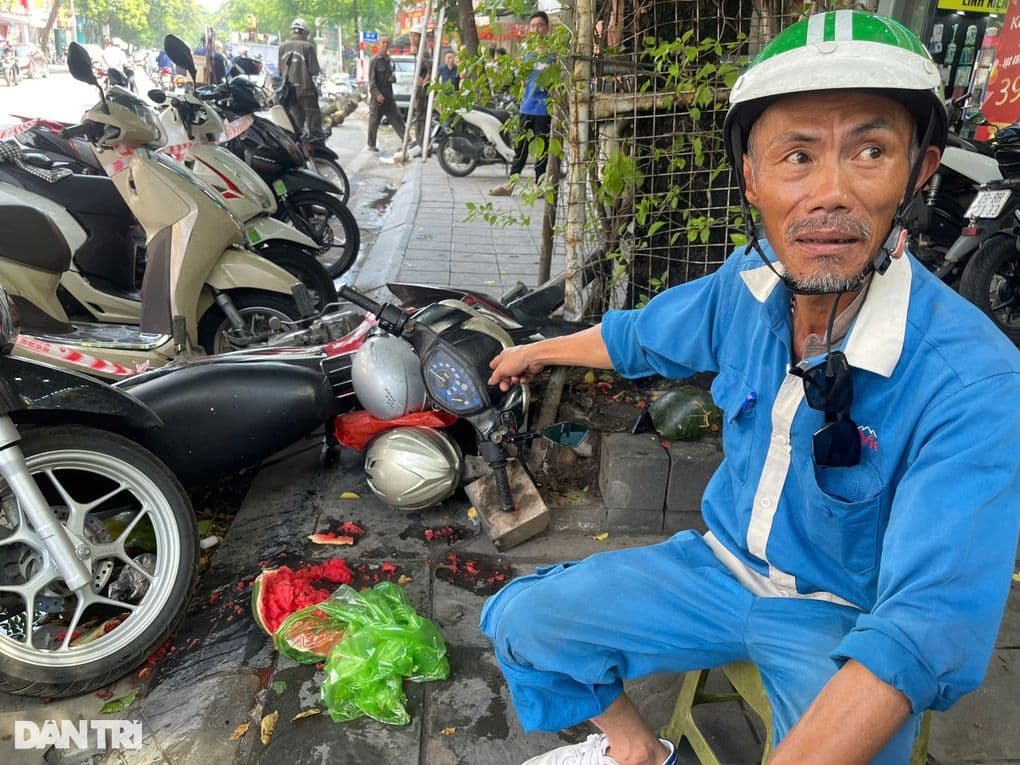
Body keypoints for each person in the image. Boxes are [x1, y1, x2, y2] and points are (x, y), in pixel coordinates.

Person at [482, 11, 1020, 765]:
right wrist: (538, 350)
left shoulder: (975, 380)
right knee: (522, 619)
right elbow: (637, 336)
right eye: (796, 156)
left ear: (919, 171)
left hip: (838, 619)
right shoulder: (748, 286)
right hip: (716, 568)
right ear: (753, 178)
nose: (829, 193)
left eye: (870, 150)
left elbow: (926, 626)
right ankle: (639, 753)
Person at [490, 11, 553, 196]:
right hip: (527, 106)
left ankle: (540, 186)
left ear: (547, 28)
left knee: (542, 148)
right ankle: (511, 184)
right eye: (533, 26)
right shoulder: (526, 52)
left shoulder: (553, 53)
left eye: (540, 25)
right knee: (521, 148)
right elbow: (521, 79)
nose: (536, 29)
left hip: (545, 108)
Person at [278, 18, 324, 142]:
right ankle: (318, 153)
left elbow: (279, 71)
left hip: (289, 92)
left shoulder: (282, 47)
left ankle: (297, 149)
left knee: (296, 124)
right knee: (314, 124)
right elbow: (314, 70)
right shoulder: (307, 47)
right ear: (304, 33)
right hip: (306, 91)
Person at [366, 35, 407, 153]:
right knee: (374, 122)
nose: (385, 45)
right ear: (378, 45)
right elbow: (371, 81)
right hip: (377, 99)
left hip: (388, 97)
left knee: (397, 118)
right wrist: (377, 94)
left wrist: (393, 78)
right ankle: (371, 144)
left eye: (387, 43)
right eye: (383, 42)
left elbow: (392, 75)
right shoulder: (374, 60)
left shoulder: (389, 60)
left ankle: (406, 140)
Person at [408, 24, 431, 155]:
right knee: (419, 115)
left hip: (422, 90)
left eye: (414, 36)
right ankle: (419, 142)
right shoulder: (417, 52)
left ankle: (422, 145)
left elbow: (430, 66)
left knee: (421, 116)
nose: (412, 38)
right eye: (411, 35)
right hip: (419, 89)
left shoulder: (423, 51)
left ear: (419, 37)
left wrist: (424, 80)